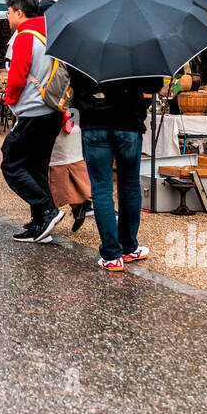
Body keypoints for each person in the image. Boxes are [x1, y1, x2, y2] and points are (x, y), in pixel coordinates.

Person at [67, 65, 164, 271]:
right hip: (128, 120)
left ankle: (112, 255)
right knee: (129, 185)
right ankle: (128, 246)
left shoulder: (82, 43)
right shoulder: (138, 46)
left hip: (94, 121)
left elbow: (74, 80)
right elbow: (154, 84)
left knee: (101, 187)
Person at [1, 0, 65, 243]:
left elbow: (17, 75)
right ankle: (40, 223)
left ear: (19, 12)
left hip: (32, 110)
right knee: (36, 167)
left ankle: (47, 210)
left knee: (11, 163)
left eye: (8, 12)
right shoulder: (50, 33)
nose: (7, 18)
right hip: (52, 109)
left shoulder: (25, 35)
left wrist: (10, 100)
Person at [49, 113, 93, 231]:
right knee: (62, 169)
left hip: (60, 122)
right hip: (70, 122)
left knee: (56, 169)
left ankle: (77, 206)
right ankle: (78, 206)